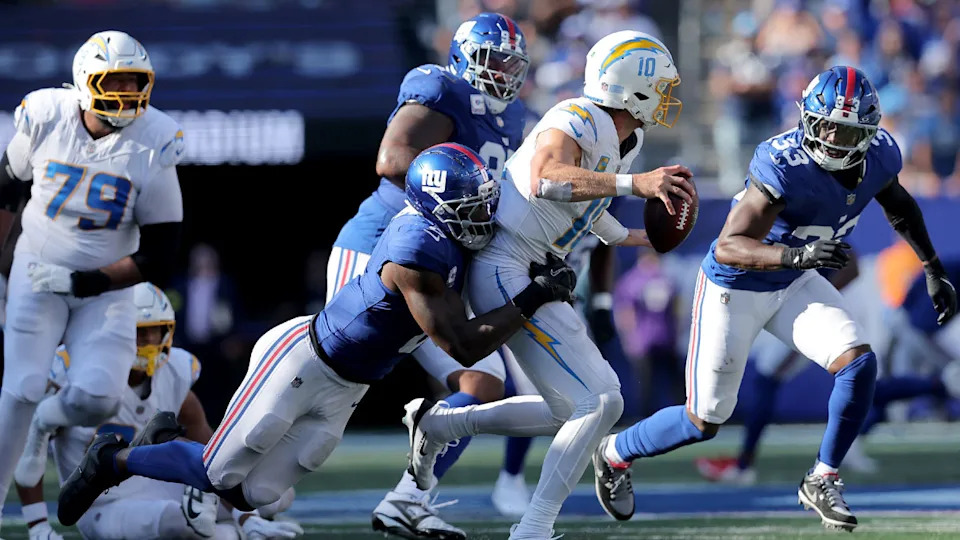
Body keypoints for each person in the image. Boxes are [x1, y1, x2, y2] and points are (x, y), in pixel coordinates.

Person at [55, 144, 577, 538]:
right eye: (468, 205)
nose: (480, 215)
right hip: (306, 359)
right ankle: (115, 461)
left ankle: (168, 451)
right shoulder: (415, 249)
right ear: (434, 207)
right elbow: (463, 345)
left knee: (256, 492)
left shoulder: (453, 238)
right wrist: (533, 297)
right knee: (219, 470)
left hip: (351, 383)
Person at [592, 66, 958, 532]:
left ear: (868, 133)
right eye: (827, 126)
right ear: (808, 119)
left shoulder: (882, 155)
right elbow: (727, 245)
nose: (834, 139)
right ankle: (615, 452)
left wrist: (931, 267)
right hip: (735, 286)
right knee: (703, 420)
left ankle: (822, 477)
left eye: (847, 131)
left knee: (858, 363)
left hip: (793, 282)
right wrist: (796, 253)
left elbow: (899, 205)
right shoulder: (785, 163)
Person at [405, 31, 694, 539]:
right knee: (603, 401)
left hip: (539, 262)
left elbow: (589, 209)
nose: (668, 96)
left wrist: (639, 238)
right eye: (661, 85)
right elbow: (547, 179)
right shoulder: (577, 115)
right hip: (506, 260)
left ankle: (441, 426)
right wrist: (637, 184)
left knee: (573, 409)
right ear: (631, 86)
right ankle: (532, 528)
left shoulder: (630, 137)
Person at [325, 13, 533, 536]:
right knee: (327, 394)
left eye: (513, 62)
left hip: (436, 265)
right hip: (380, 249)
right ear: (464, 57)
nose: (505, 71)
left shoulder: (514, 116)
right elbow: (392, 159)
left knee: (484, 381)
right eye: (495, 60)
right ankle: (230, 497)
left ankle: (408, 498)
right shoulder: (441, 88)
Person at [0, 31, 185, 535]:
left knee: (100, 397)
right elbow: (8, 189)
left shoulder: (154, 140)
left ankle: (46, 421)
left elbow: (162, 254)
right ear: (85, 83)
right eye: (114, 81)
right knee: (22, 386)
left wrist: (87, 280)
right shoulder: (45, 117)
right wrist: (3, 263)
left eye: (135, 82)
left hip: (104, 289)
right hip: (37, 272)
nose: (126, 94)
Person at [14, 283, 301, 540]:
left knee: (270, 493)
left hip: (161, 484)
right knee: (185, 524)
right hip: (105, 503)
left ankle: (237, 528)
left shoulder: (176, 372)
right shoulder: (73, 373)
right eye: (140, 333)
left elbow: (213, 458)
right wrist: (38, 524)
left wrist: (245, 515)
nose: (150, 342)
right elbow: (29, 449)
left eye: (157, 331)